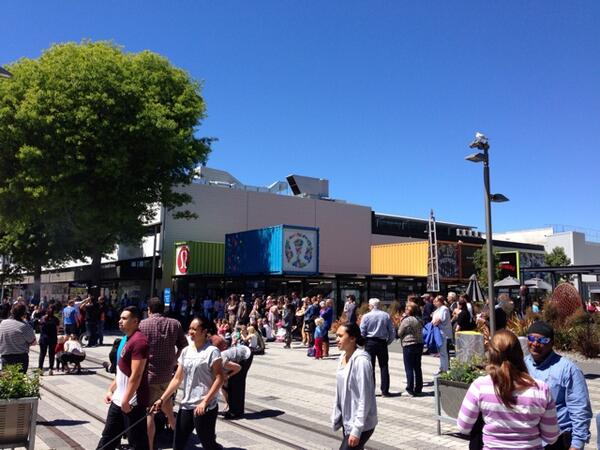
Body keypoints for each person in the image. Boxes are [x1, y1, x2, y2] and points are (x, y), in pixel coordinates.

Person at [457, 329, 559, 449]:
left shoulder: (480, 386)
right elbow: (551, 437)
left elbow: (463, 427)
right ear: (520, 353)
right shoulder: (540, 389)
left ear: (491, 354)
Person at [152, 316, 224, 450]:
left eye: (195, 329)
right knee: (178, 444)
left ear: (204, 331)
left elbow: (220, 378)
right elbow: (177, 379)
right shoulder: (186, 351)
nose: (191, 331)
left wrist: (205, 402)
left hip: (204, 407)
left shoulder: (212, 352)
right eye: (190, 328)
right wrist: (162, 399)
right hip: (186, 405)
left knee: (208, 443)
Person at [524, 321, 593, 450]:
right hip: (528, 440)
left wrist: (577, 445)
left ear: (551, 343)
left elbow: (580, 409)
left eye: (542, 340)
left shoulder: (568, 369)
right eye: (531, 338)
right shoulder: (522, 365)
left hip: (557, 441)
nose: (535, 343)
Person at [96, 306, 149, 450]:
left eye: (124, 318)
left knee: (137, 443)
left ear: (135, 321)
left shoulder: (139, 342)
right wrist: (111, 389)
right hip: (118, 400)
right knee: (108, 438)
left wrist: (126, 398)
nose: (120, 321)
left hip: (132, 402)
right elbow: (121, 371)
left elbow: (136, 374)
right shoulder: (127, 339)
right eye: (120, 318)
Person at [139, 297, 188, 450]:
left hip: (149, 376)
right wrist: (175, 360)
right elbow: (184, 346)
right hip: (168, 376)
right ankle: (179, 442)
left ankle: (151, 446)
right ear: (163, 309)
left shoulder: (142, 324)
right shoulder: (175, 324)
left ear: (149, 309)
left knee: (149, 413)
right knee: (169, 413)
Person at [332, 322, 377, 450]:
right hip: (348, 420)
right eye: (336, 336)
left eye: (340, 336)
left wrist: (357, 429)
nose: (337, 339)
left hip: (362, 423)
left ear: (352, 338)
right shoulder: (343, 356)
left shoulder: (361, 361)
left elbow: (365, 397)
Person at [359, 298, 396, 397]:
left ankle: (371, 391)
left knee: (370, 367)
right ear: (379, 305)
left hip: (370, 342)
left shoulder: (366, 316)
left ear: (370, 306)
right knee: (384, 366)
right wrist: (388, 341)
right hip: (382, 342)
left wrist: (362, 343)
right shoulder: (385, 315)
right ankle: (385, 391)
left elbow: (362, 332)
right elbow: (392, 331)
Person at [212, 335, 253, 420]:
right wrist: (226, 403)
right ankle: (233, 408)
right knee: (228, 384)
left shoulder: (222, 361)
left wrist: (228, 375)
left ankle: (236, 412)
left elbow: (238, 368)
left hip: (245, 355)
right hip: (237, 356)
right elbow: (222, 386)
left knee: (236, 383)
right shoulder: (214, 364)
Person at [0, 302, 36, 372]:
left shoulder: (2, 323)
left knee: (7, 380)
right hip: (20, 358)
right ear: (24, 314)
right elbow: (33, 342)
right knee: (19, 380)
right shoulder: (24, 326)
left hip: (5, 357)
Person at [397, 303, 423, 396]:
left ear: (410, 310)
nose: (405, 311)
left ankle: (410, 389)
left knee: (409, 367)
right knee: (417, 367)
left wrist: (401, 321)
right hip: (419, 344)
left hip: (409, 344)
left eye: (407, 309)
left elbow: (399, 332)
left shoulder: (407, 320)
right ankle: (419, 388)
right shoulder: (419, 319)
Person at [431, 295, 452, 373]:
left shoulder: (444, 309)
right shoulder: (438, 309)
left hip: (443, 333)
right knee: (440, 352)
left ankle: (445, 369)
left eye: (435, 301)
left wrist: (433, 323)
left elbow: (438, 320)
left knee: (443, 352)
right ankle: (442, 367)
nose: (434, 302)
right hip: (438, 332)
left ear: (440, 301)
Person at [38, 305, 59, 375]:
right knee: (52, 354)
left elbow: (40, 328)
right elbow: (57, 329)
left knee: (42, 354)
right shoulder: (56, 319)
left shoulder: (42, 319)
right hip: (52, 338)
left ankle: (40, 369)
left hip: (44, 338)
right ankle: (51, 369)